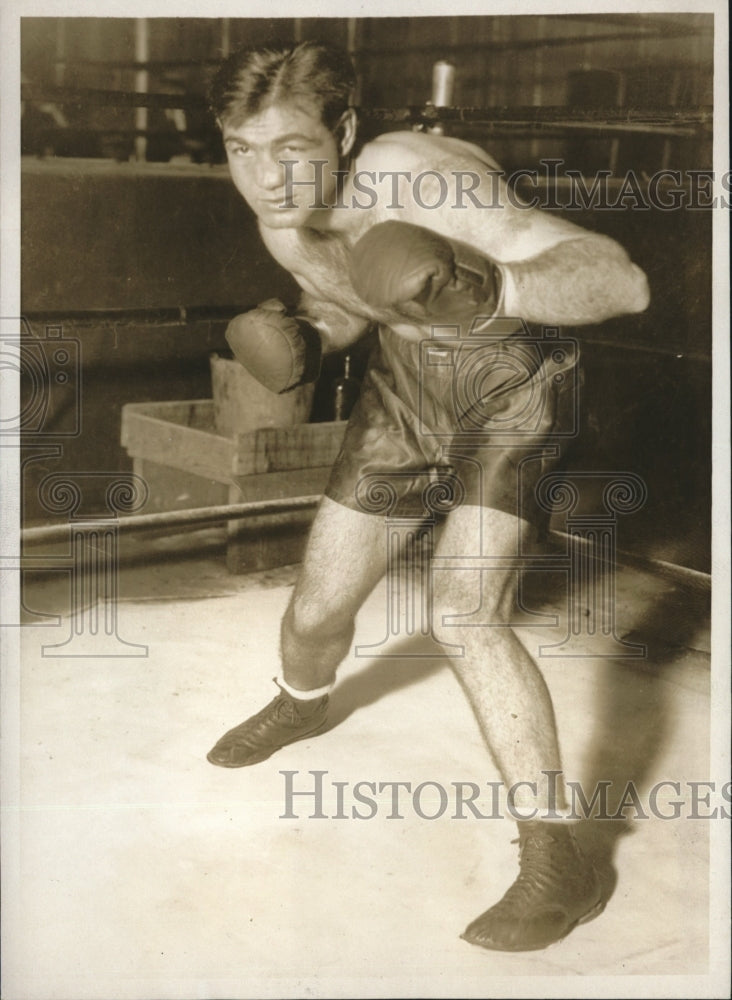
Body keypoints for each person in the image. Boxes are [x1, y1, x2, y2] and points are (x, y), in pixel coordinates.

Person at [205, 41, 650, 953]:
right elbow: (359, 295)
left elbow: (620, 280)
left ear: (348, 132)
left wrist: (491, 290)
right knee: (316, 611)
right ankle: (303, 700)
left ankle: (559, 860)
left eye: (290, 148)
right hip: (407, 387)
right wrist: (310, 335)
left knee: (463, 612)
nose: (267, 177)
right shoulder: (281, 220)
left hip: (516, 379)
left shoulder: (428, 181)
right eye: (242, 150)